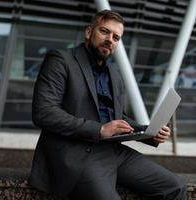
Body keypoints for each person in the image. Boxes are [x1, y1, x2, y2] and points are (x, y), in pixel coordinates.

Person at [29, 9, 187, 200]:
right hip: (77, 155)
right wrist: (99, 129)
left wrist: (150, 133)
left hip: (113, 151)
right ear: (89, 32)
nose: (110, 39)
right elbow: (44, 113)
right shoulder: (61, 60)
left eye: (116, 37)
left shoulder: (114, 73)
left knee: (175, 187)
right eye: (104, 31)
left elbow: (120, 118)